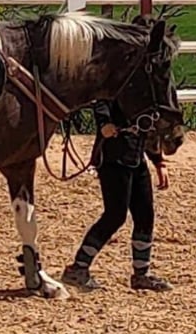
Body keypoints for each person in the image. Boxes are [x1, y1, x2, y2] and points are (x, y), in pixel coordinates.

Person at [60, 98, 173, 291]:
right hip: (113, 158)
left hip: (136, 158)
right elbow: (101, 99)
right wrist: (104, 123)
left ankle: (141, 275)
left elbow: (148, 127)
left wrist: (158, 162)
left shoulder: (141, 89)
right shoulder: (117, 80)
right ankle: (78, 268)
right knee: (115, 216)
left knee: (145, 216)